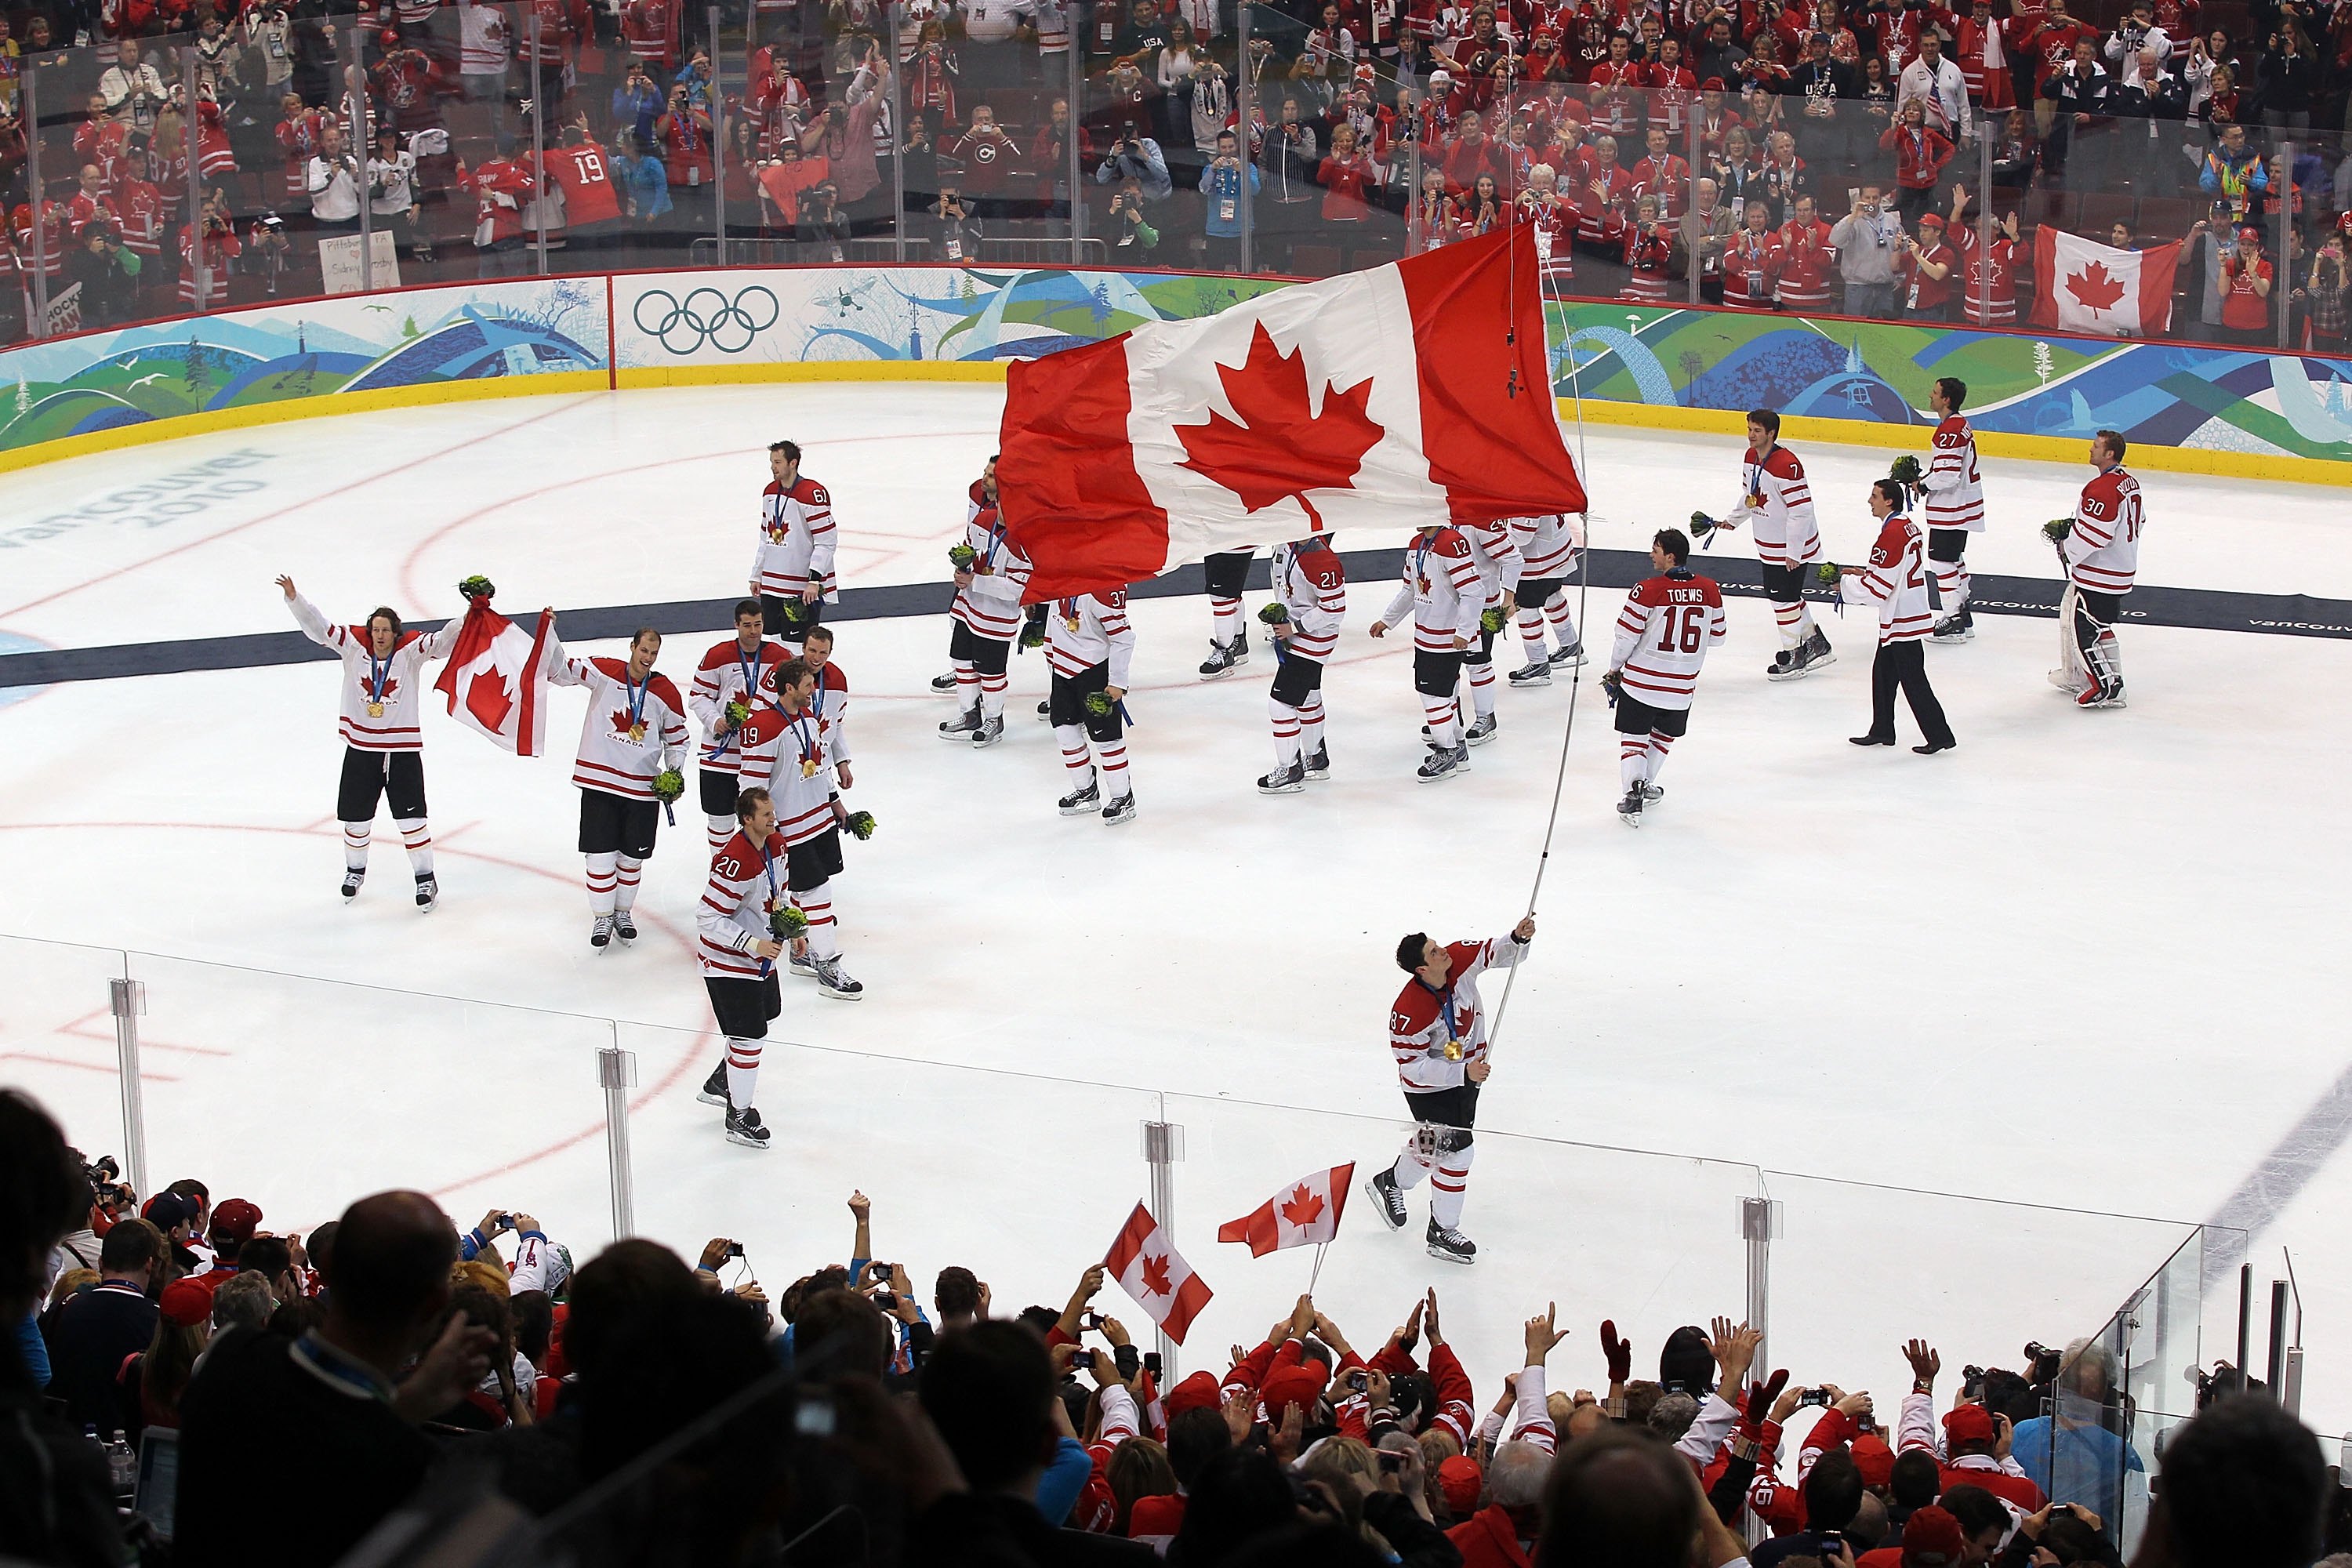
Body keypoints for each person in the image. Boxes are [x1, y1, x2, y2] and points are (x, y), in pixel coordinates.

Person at [175, 1192, 497, 1565]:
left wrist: (405, 1405)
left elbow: (313, 1444)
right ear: (436, 1303)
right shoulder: (412, 1471)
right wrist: (407, 1409)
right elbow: (337, 1454)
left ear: (326, 1270)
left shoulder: (229, 1356)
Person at [278, 574, 462, 908]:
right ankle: (354, 871)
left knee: (412, 820)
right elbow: (319, 628)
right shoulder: (352, 647)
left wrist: (469, 617)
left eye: (386, 631)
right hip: (361, 751)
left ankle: (425, 880)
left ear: (395, 633)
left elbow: (444, 641)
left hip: (401, 753)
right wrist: (295, 599)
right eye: (375, 630)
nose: (380, 636)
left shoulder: (410, 653)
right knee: (356, 818)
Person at [1363, 915, 1537, 1263]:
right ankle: (1442, 1230)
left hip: (1468, 1074)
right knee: (1458, 1151)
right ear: (1421, 971)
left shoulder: (1457, 959)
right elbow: (1412, 1067)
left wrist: (1518, 938)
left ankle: (1391, 1182)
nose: (1442, 951)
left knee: (1438, 1145)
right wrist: (1462, 1074)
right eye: (1433, 952)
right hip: (1429, 1087)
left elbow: (1500, 953)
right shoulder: (1410, 1010)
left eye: (1436, 944)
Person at [549, 625, 688, 949]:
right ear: (632, 647)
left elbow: (678, 739)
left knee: (631, 859)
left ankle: (622, 913)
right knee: (599, 856)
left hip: (642, 789)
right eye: (644, 651)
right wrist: (550, 632)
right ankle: (602, 917)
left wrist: (675, 774)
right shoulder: (604, 671)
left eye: (654, 654)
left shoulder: (665, 691)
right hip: (600, 783)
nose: (648, 659)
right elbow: (558, 670)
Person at [735, 659, 866, 998]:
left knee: (809, 891)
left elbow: (819, 767)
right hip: (791, 829)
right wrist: (761, 833)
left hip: (819, 818)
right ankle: (827, 964)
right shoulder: (763, 726)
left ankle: (801, 951)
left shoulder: (808, 718)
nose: (814, 690)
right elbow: (751, 788)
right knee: (817, 894)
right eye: (808, 685)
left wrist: (835, 803)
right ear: (789, 688)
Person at [1603, 528, 1727, 827]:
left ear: (1670, 557)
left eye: (1656, 550)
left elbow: (1625, 638)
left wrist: (1614, 669)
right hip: (1681, 686)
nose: (1651, 555)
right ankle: (1646, 784)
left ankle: (1634, 792)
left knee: (1634, 737)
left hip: (1642, 682)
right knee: (1662, 736)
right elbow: (1718, 637)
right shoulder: (1710, 589)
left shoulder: (1647, 590)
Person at [691, 788, 793, 1148]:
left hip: (761, 955)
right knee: (749, 1037)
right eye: (765, 814)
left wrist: (794, 926)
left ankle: (724, 1080)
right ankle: (738, 1116)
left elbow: (779, 890)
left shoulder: (776, 844)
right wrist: (752, 944)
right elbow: (707, 916)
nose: (773, 818)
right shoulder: (735, 860)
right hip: (728, 963)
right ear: (746, 819)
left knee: (769, 1013)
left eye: (773, 812)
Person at [1834, 479, 1956, 754]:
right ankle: (1882, 730)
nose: (1870, 501)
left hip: (1903, 618)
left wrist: (1843, 586)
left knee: (1913, 679)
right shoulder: (1906, 525)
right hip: (1908, 611)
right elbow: (1893, 571)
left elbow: (1879, 589)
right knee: (1883, 673)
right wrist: (1862, 574)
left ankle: (1939, 735)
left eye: (1875, 496)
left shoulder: (1891, 534)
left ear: (1889, 501)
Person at [1715, 408, 1831, 678]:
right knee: (1785, 597)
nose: (1751, 436)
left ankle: (1793, 655)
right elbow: (1751, 495)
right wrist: (1734, 519)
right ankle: (1816, 644)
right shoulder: (1750, 458)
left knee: (1783, 600)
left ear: (1772, 433)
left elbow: (1801, 511)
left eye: (1757, 431)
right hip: (1769, 544)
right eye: (1749, 429)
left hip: (1791, 547)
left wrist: (1794, 551)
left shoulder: (1787, 465)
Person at [1370, 518, 1483, 782]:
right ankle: (1457, 750)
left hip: (1447, 639)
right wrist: (1388, 620)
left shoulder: (1452, 543)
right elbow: (1411, 591)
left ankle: (1447, 753)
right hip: (1426, 637)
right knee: (1440, 695)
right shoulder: (1416, 545)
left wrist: (1464, 632)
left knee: (1434, 697)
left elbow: (1473, 592)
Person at [2046, 429, 2142, 710]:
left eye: (2096, 446)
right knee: (2100, 626)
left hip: (2100, 573)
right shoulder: (2129, 482)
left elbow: (2096, 535)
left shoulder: (2101, 488)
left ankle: (2104, 688)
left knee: (2084, 629)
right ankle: (2110, 679)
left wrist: (2067, 545)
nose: (2090, 449)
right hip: (2120, 568)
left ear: (2109, 453)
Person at [40, 1216, 160, 1435]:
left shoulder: (64, 1307)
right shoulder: (158, 1320)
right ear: (149, 1265)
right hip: (128, 1448)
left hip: (65, 1442)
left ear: (102, 1263)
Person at [686, 600, 789, 854]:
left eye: (758, 624)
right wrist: (714, 720)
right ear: (736, 625)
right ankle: (721, 873)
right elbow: (698, 696)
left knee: (763, 822)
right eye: (747, 625)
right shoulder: (717, 655)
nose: (753, 631)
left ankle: (760, 877)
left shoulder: (780, 657)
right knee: (719, 820)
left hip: (759, 758)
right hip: (720, 756)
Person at [937, 485, 1033, 750]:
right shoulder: (982, 521)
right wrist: (961, 573)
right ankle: (970, 714)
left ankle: (994, 718)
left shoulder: (1024, 541)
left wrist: (975, 581)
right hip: (967, 607)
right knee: (961, 661)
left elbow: (1019, 589)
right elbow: (968, 551)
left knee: (991, 672)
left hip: (996, 618)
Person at [1258, 533, 1346, 794]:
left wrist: (1294, 626)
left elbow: (1335, 609)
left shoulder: (1320, 559)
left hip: (1312, 641)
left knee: (1281, 703)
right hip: (1304, 637)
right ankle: (1316, 758)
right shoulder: (1295, 546)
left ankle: (1290, 769)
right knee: (1308, 698)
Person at [1044, 587, 1138, 825]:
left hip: (1095, 671)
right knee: (1064, 730)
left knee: (1107, 739)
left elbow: (1124, 637)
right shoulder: (1058, 583)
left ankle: (1122, 796)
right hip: (1063, 671)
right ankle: (1085, 789)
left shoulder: (1100, 591)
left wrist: (1117, 682)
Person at [750, 438, 837, 649]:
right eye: (772, 462)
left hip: (799, 587)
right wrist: (757, 574)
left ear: (793, 463)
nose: (773, 467)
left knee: (798, 646)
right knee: (774, 644)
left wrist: (814, 580)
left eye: (778, 462)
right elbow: (766, 537)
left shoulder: (811, 493)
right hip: (772, 584)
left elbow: (826, 542)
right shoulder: (770, 492)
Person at [1920, 376, 1984, 642]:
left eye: (1935, 393)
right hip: (1961, 506)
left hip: (1951, 507)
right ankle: (1962, 614)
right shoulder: (1958, 425)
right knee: (1954, 558)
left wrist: (1922, 484)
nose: (1930, 396)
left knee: (1941, 560)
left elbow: (1947, 475)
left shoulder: (1949, 430)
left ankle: (1953, 619)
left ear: (1946, 399)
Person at [1504, 514, 1586, 684]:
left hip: (1538, 561)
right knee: (1552, 596)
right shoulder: (1542, 487)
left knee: (1526, 609)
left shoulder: (1527, 496)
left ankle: (1538, 663)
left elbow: (1521, 536)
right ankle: (1570, 644)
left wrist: (1495, 536)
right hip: (1557, 551)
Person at [1197, 548, 1258, 678]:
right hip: (1226, 538)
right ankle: (1238, 644)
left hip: (1230, 539)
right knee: (1231, 592)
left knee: (1221, 596)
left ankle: (1224, 653)